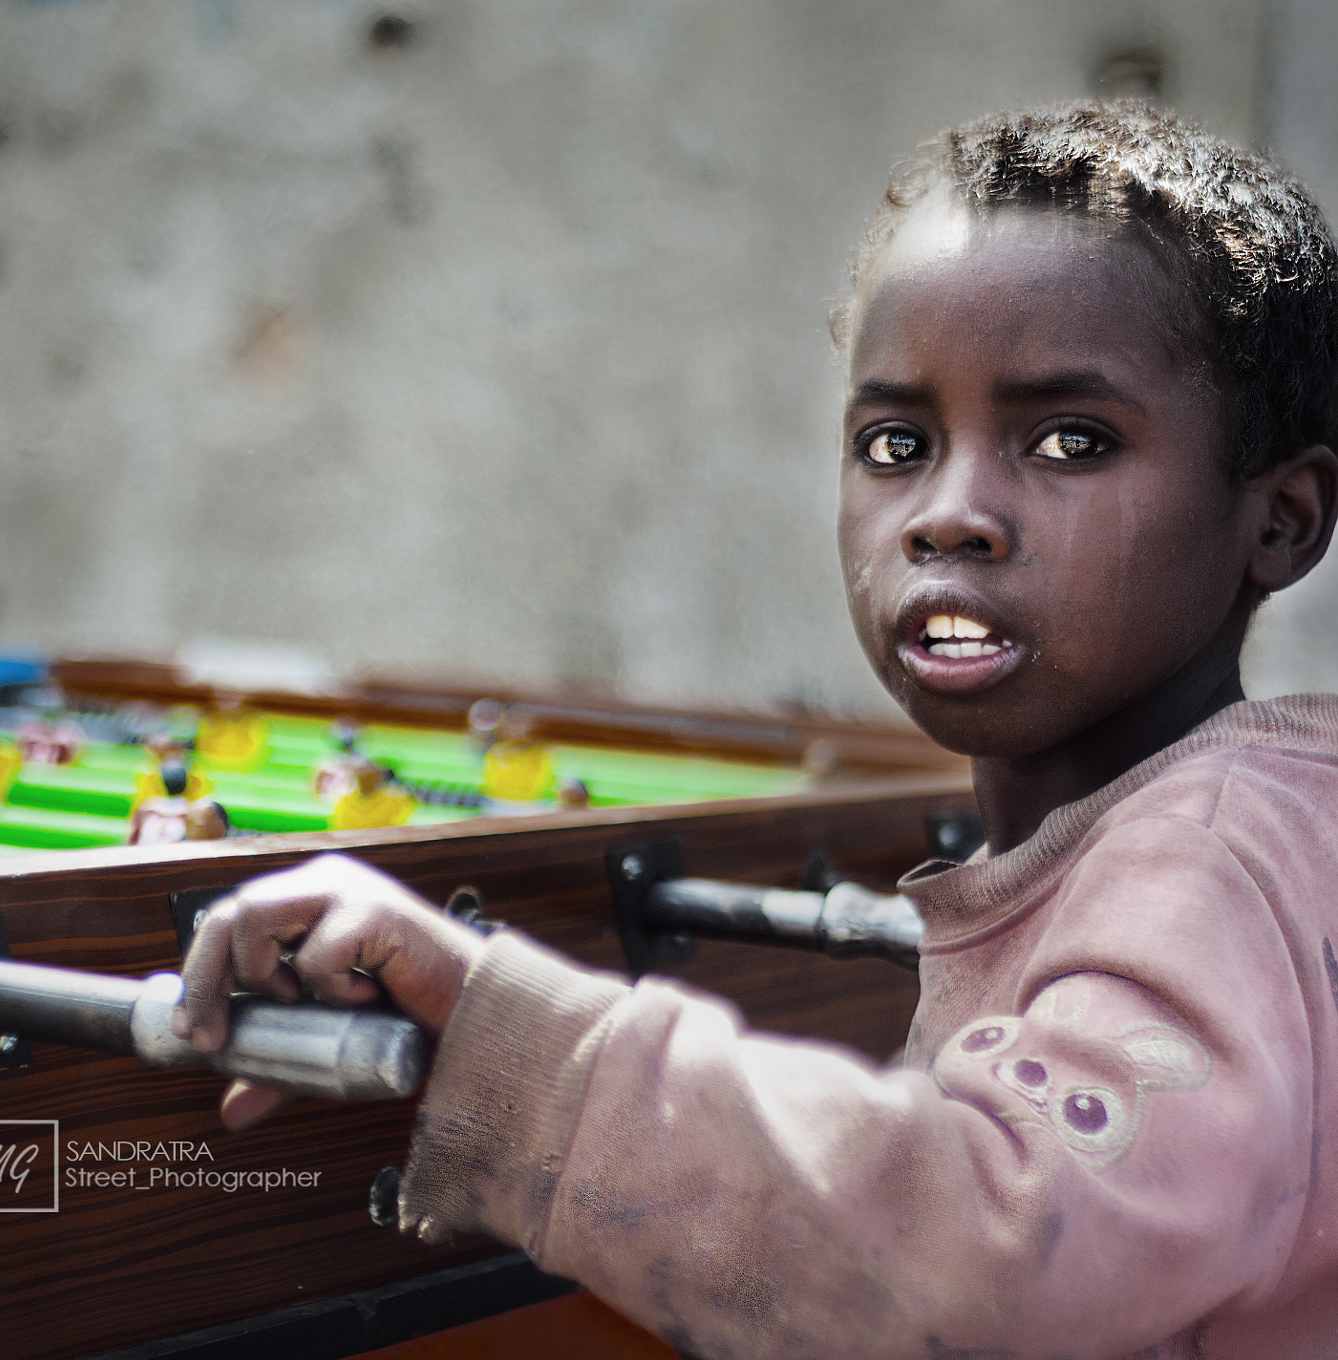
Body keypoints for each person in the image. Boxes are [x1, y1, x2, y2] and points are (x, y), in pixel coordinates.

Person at [175, 101, 1338, 1357]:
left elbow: (1004, 1244)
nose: (948, 514)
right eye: (895, 442)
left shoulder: (1210, 853)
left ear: (1278, 519)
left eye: (1068, 440)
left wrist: (506, 1035)